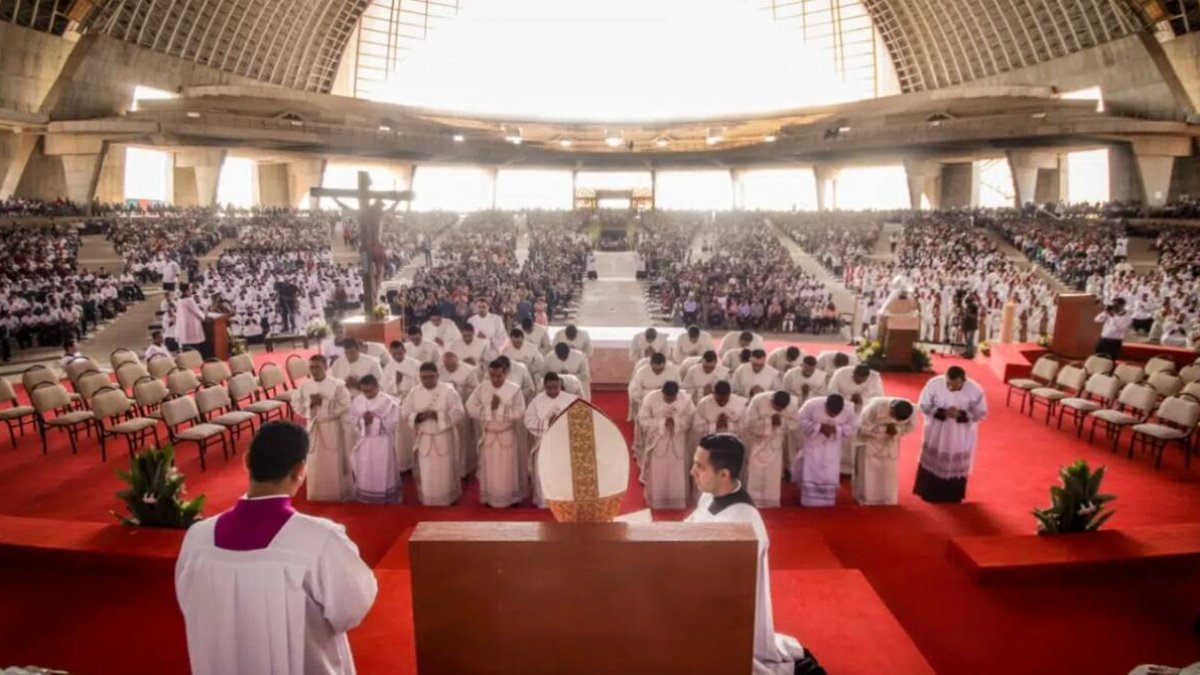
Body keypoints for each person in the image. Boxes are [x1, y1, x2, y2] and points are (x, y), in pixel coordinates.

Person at [175, 421, 378, 675]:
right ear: (300, 470)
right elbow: (351, 608)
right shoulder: (320, 539)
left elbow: (190, 603)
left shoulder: (198, 538)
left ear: (246, 461)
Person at [686, 434, 824, 675]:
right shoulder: (709, 495)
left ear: (724, 475)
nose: (692, 471)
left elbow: (731, 583)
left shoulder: (743, 520)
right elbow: (689, 528)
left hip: (728, 612)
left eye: (700, 466)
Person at [914, 366, 988, 504]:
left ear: (963, 381)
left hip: (960, 434)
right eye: (948, 383)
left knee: (955, 461)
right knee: (933, 460)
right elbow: (923, 405)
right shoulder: (934, 383)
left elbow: (981, 412)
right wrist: (942, 412)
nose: (950, 387)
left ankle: (952, 496)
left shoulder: (975, 389)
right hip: (936, 430)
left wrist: (961, 414)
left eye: (955, 385)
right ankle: (928, 493)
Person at [466, 358, 528, 508]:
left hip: (506, 433)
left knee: (507, 467)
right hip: (489, 433)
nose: (495, 379)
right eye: (492, 376)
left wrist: (499, 408)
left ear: (505, 373)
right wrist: (488, 408)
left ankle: (509, 498)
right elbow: (470, 407)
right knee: (491, 468)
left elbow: (520, 412)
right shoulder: (482, 388)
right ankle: (490, 497)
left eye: (499, 376)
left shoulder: (514, 389)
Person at [402, 362, 466, 505]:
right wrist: (419, 416)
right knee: (427, 470)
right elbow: (405, 412)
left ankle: (447, 498)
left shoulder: (448, 391)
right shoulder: (415, 392)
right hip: (424, 437)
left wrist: (438, 415)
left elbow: (459, 413)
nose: (427, 381)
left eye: (431, 377)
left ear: (438, 375)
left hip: (443, 436)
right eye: (424, 377)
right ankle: (428, 498)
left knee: (444, 470)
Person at [292, 355, 353, 502]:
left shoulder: (337, 385)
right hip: (314, 426)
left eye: (318, 367)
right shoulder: (305, 386)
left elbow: (345, 404)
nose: (314, 370)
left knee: (333, 460)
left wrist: (324, 402)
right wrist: (310, 405)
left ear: (326, 367)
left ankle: (336, 494)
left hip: (331, 425)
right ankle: (317, 493)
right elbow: (297, 406)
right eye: (311, 367)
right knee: (314, 460)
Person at [524, 372, 579, 507]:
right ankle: (545, 501)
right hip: (545, 443)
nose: (553, 391)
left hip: (563, 443)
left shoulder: (571, 399)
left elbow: (579, 419)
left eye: (556, 387)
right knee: (544, 472)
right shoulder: (537, 401)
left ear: (560, 384)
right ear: (544, 386)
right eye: (549, 388)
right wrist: (547, 423)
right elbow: (529, 420)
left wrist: (562, 422)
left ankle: (564, 499)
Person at [639, 380, 695, 509]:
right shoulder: (651, 398)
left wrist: (676, 422)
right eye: (667, 398)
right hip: (658, 439)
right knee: (659, 468)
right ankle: (658, 500)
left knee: (677, 469)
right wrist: (662, 422)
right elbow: (643, 420)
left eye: (673, 398)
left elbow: (691, 418)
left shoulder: (685, 399)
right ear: (662, 392)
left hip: (678, 439)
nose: (670, 401)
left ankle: (678, 500)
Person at [794, 394, 858, 507]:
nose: (832, 415)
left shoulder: (848, 409)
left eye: (836, 414)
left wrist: (835, 429)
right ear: (825, 405)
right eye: (830, 412)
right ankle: (810, 500)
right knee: (812, 469)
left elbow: (853, 427)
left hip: (832, 445)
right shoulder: (811, 405)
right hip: (813, 445)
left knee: (830, 470)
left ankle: (827, 500)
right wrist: (819, 427)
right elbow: (799, 420)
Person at [348, 375, 401, 503]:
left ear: (377, 387)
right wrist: (362, 421)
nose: (367, 394)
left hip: (383, 441)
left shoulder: (387, 401)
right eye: (364, 391)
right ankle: (366, 492)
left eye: (370, 391)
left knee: (383, 467)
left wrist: (374, 421)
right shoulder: (357, 400)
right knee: (365, 466)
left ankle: (385, 495)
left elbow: (393, 422)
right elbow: (352, 419)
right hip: (365, 441)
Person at [854, 398, 916, 506]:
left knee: (888, 472)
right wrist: (884, 430)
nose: (894, 419)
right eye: (893, 416)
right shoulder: (873, 408)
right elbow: (862, 426)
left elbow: (910, 427)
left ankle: (888, 498)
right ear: (891, 409)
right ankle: (868, 498)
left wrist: (896, 430)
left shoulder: (911, 410)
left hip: (890, 444)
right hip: (871, 443)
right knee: (869, 472)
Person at [744, 391, 798, 508]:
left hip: (775, 443)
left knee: (773, 473)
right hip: (758, 443)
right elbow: (749, 423)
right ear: (772, 401)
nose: (778, 410)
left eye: (781, 408)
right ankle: (754, 500)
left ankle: (771, 500)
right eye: (776, 407)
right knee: (756, 472)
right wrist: (769, 422)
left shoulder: (792, 405)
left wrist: (780, 422)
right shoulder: (758, 401)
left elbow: (794, 423)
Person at [828, 364, 885, 475]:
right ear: (853, 374)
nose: (859, 383)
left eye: (862, 381)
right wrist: (848, 399)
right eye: (857, 380)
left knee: (856, 439)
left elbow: (879, 398)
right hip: (842, 410)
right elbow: (831, 392)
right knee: (842, 438)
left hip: (862, 412)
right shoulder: (840, 373)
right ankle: (838, 467)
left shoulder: (875, 377)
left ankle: (854, 468)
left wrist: (862, 399)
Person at [439, 351, 480, 477]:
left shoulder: (468, 371)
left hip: (462, 408)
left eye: (452, 366)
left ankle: (463, 469)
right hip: (445, 410)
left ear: (458, 361)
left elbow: (475, 391)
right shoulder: (439, 370)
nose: (450, 368)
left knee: (463, 439)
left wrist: (459, 390)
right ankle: (447, 469)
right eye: (447, 366)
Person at [176, 283, 207, 357]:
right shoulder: (189, 300)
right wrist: (204, 316)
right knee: (194, 350)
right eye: (190, 289)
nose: (191, 290)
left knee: (187, 350)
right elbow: (198, 313)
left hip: (184, 328)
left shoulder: (180, 300)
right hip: (192, 328)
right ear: (186, 290)